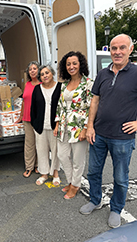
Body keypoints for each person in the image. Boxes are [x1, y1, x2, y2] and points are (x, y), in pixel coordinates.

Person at [79, 34, 137, 228]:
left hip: (122, 138)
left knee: (120, 178)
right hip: (99, 134)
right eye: (114, 48)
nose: (117, 52)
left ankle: (116, 209)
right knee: (94, 172)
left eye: (122, 47)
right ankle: (95, 200)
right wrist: (90, 126)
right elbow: (95, 100)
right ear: (110, 50)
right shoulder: (103, 74)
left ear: (130, 49)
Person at [54, 51, 94, 199]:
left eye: (74, 63)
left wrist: (86, 128)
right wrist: (57, 124)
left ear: (80, 65)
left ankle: (75, 185)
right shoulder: (64, 85)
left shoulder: (88, 83)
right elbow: (60, 105)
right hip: (64, 125)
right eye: (68, 64)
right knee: (62, 155)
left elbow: (92, 107)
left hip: (79, 126)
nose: (71, 66)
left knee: (78, 159)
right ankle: (70, 181)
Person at [31, 65, 62, 186]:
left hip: (55, 126)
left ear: (52, 73)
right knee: (41, 150)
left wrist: (59, 125)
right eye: (42, 74)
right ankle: (44, 173)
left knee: (55, 151)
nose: (45, 76)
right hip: (40, 126)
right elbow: (33, 108)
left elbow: (62, 107)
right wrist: (35, 123)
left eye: (47, 73)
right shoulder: (37, 89)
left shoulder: (60, 87)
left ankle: (55, 174)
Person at [16, 61, 41, 178]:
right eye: (30, 69)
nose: (32, 71)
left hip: (39, 119)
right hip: (27, 118)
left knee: (40, 144)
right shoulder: (27, 84)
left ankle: (38, 165)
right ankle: (29, 167)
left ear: (38, 70)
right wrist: (20, 116)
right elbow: (24, 102)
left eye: (34, 68)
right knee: (29, 144)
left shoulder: (42, 84)